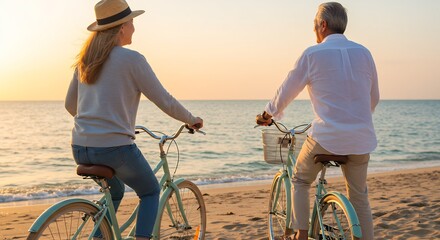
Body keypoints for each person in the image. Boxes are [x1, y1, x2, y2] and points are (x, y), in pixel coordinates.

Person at [65, 0, 203, 239]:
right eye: (131, 22)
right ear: (121, 28)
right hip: (114, 149)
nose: (134, 28)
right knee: (150, 192)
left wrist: (97, 122)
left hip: (80, 147)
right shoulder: (132, 60)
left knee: (115, 192)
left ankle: (101, 235)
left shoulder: (85, 60)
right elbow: (165, 101)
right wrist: (192, 119)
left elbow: (70, 105)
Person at [256, 2, 379, 240]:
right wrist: (356, 119)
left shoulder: (312, 54)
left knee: (300, 179)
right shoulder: (364, 53)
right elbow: (373, 98)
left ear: (323, 25)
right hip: (362, 139)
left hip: (327, 137)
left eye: (315, 24)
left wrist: (268, 114)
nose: (314, 29)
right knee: (359, 197)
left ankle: (301, 234)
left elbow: (286, 90)